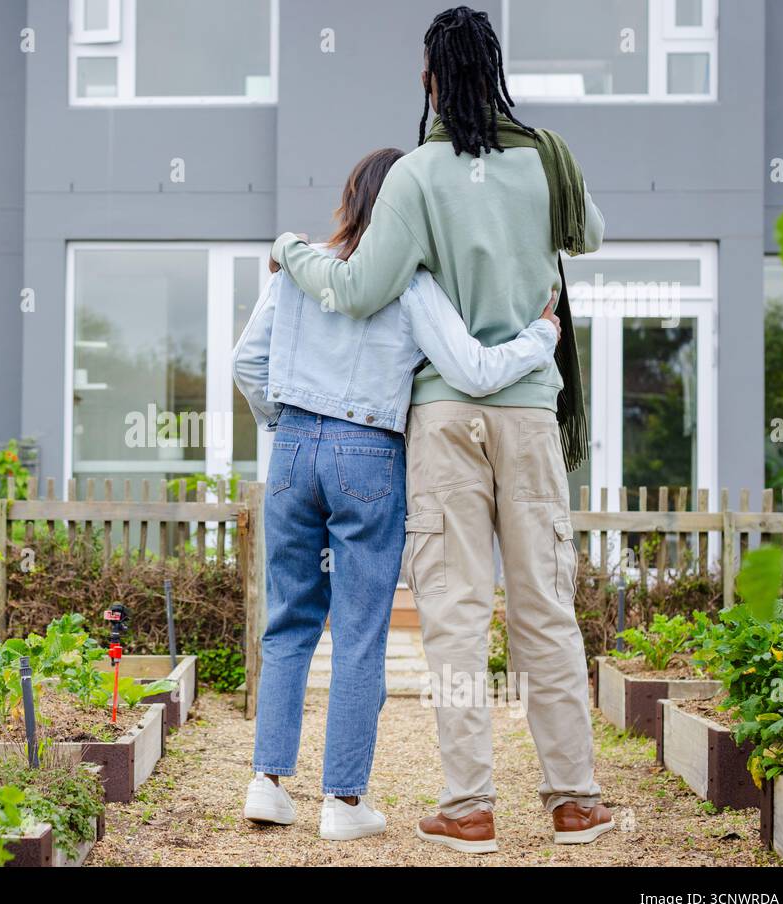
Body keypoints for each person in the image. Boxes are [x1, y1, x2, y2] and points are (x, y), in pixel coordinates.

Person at [268, 5, 613, 853]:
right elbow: (591, 236)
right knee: (545, 605)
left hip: (445, 416)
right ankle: (573, 801)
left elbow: (357, 289)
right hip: (530, 407)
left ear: (429, 78)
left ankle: (470, 807)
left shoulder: (416, 175)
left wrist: (291, 250)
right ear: (496, 72)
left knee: (455, 611)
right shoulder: (549, 158)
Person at [234, 145, 560, 842]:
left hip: (292, 446)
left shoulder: (296, 270)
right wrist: (541, 335)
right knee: (358, 632)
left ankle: (267, 782)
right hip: (369, 454)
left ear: (349, 199)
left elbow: (245, 361)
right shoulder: (412, 285)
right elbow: (472, 369)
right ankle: (342, 803)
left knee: (287, 620)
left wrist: (286, 421)